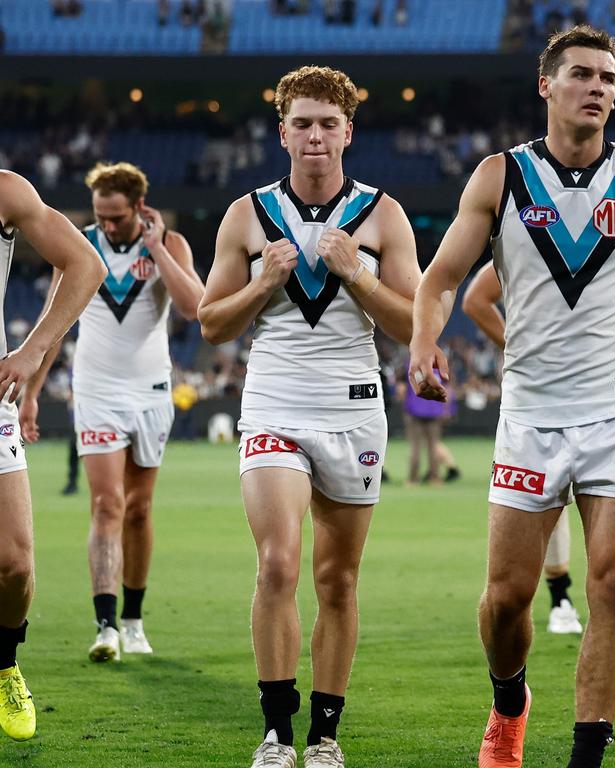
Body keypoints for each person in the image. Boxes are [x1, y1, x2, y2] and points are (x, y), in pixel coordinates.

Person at [410, 26, 615, 768]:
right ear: (546, 86)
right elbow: (442, 278)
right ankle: (509, 698)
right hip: (532, 410)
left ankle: (588, 753)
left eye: (608, 79)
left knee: (613, 581)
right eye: (582, 75)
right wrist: (424, 341)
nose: (598, 89)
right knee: (507, 600)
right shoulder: (500, 177)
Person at [198, 65, 420, 768]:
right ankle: (276, 731)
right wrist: (263, 282)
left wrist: (359, 275)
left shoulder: (383, 214)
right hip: (274, 402)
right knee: (276, 564)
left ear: (348, 131)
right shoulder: (247, 214)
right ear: (282, 131)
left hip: (354, 409)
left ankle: (326, 735)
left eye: (329, 123)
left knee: (339, 580)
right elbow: (210, 324)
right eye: (303, 122)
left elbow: (415, 324)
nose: (316, 135)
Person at [39, 162, 204, 663]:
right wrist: (30, 391)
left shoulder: (169, 243)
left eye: (116, 217)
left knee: (139, 509)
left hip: (151, 388)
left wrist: (155, 249)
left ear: (138, 207)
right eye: (100, 216)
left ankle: (134, 618)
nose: (107, 226)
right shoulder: (78, 244)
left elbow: (195, 307)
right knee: (107, 504)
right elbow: (52, 321)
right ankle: (106, 624)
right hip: (96, 388)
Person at [0, 170, 106, 740]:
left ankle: (5, 662)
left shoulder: (6, 192)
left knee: (14, 565)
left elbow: (86, 264)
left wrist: (32, 349)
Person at [463, 260, 583, 634]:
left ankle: (604, 600)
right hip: (540, 395)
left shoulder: (613, 238)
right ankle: (561, 597)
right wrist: (518, 347)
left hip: (606, 392)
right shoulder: (529, 235)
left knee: (613, 510)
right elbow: (475, 300)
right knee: (550, 501)